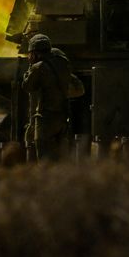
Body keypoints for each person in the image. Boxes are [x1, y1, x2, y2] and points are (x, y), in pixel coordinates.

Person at [22, 33, 84, 162]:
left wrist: (29, 70)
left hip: (45, 118)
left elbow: (27, 86)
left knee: (43, 157)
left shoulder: (38, 67)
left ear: (35, 53)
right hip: (62, 116)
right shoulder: (62, 64)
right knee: (60, 157)